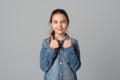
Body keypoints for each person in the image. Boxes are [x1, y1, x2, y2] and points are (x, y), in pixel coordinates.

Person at [40, 8, 81, 80]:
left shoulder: (73, 42)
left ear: (68, 23)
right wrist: (51, 49)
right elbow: (44, 67)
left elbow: (76, 67)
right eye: (55, 22)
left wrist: (69, 49)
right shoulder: (46, 43)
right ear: (51, 24)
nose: (59, 25)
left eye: (63, 22)